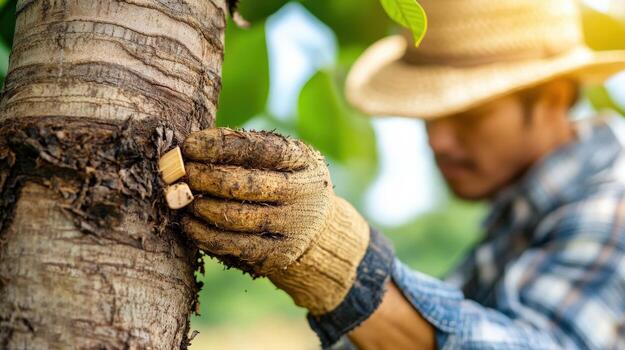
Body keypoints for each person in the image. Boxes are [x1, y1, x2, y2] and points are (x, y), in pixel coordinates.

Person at [178, 0, 625, 348]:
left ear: (553, 96)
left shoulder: (614, 204)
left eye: (469, 114)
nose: (438, 141)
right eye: (429, 115)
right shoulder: (519, 219)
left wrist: (333, 260)